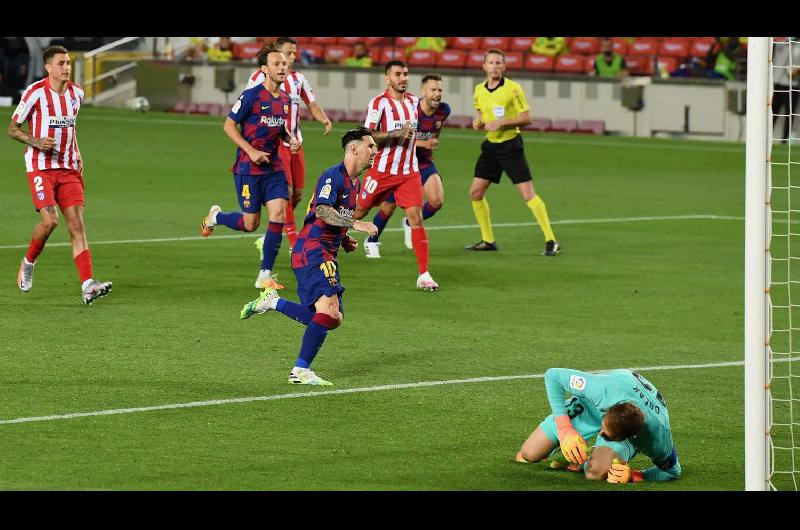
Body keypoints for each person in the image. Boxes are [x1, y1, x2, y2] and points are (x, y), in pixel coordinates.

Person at [239, 127, 379, 385]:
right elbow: (323, 212)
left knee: (332, 318)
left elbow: (329, 218)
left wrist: (343, 238)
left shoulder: (354, 182)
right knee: (329, 310)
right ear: (354, 148)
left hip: (324, 249)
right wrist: (355, 225)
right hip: (312, 249)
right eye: (370, 146)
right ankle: (300, 371)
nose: (375, 151)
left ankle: (274, 302)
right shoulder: (333, 176)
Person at [8, 45, 112, 304]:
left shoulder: (77, 93)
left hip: (69, 168)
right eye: (62, 63)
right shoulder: (35, 93)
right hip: (41, 167)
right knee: (50, 222)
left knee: (77, 226)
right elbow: (13, 129)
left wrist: (79, 156)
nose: (67, 67)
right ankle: (29, 261)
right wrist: (35, 141)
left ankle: (88, 285)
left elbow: (71, 129)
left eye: (68, 63)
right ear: (48, 67)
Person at [200, 42, 299, 290]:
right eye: (277, 64)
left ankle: (265, 273)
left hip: (273, 168)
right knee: (250, 224)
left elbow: (280, 130)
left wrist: (290, 139)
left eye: (284, 64)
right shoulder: (252, 95)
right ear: (264, 69)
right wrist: (251, 151)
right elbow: (228, 125)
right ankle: (217, 217)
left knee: (278, 213)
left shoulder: (285, 99)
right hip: (248, 168)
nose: (282, 67)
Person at [246, 37, 333, 264]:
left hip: (295, 143)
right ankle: (296, 247)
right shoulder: (259, 78)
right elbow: (247, 104)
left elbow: (311, 103)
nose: (292, 58)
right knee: (285, 195)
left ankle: (269, 236)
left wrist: (324, 120)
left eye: (294, 53)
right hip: (275, 147)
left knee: (296, 196)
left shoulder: (298, 79)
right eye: (289, 53)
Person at [354, 60, 440, 291]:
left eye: (406, 74)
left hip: (408, 173)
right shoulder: (379, 103)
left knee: (416, 218)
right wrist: (395, 133)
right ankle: (315, 243)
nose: (403, 78)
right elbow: (368, 134)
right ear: (387, 78)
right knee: (357, 212)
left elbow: (425, 119)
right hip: (381, 171)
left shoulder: (413, 102)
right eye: (398, 74)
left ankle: (424, 274)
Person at [515, 368, 682, 484]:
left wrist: (634, 475)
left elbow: (672, 471)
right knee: (528, 454)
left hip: (635, 422)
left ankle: (583, 461)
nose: (600, 433)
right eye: (603, 428)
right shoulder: (603, 391)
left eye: (606, 436)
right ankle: (571, 445)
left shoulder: (657, 439)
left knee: (595, 473)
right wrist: (565, 429)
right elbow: (553, 376)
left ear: (629, 439)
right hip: (595, 406)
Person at [468, 49, 560, 256]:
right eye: (491, 62)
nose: (495, 66)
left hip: (510, 146)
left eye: (499, 62)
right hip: (490, 147)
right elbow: (480, 112)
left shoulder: (513, 89)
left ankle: (551, 240)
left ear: (504, 66)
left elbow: (527, 118)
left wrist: (502, 122)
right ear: (484, 66)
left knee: (528, 194)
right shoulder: (479, 90)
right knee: (475, 193)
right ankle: (488, 240)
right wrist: (478, 121)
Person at [364, 74, 450, 257]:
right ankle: (371, 239)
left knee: (437, 200)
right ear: (423, 92)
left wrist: (431, 143)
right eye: (433, 90)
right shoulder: (411, 108)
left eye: (440, 90)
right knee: (388, 206)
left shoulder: (443, 111)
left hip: (424, 163)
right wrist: (423, 143)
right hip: (400, 162)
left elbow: (435, 131)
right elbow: (404, 136)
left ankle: (410, 223)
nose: (437, 94)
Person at [772, 38, 800, 143]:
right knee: (773, 113)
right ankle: (767, 136)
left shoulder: (798, 46)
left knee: (789, 114)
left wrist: (797, 71)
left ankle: (785, 139)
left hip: (792, 85)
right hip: (777, 83)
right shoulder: (779, 44)